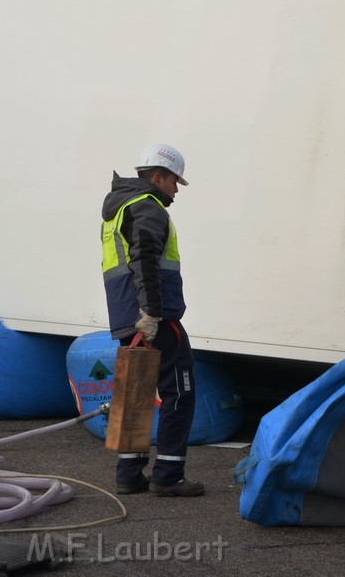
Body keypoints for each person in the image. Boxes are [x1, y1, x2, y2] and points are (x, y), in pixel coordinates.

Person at [100, 143, 204, 498]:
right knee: (180, 390)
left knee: (135, 391)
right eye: (175, 181)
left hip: (127, 317)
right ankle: (169, 474)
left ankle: (129, 475)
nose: (176, 190)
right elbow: (145, 261)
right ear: (158, 177)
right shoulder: (148, 208)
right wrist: (153, 314)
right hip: (155, 318)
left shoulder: (119, 208)